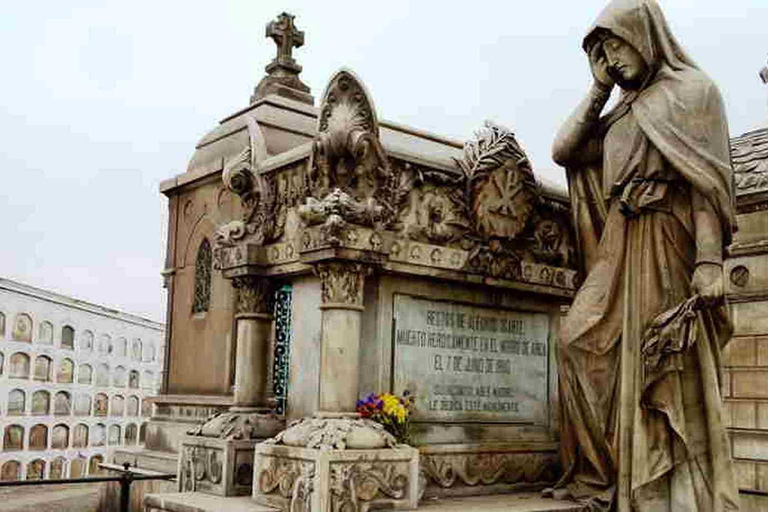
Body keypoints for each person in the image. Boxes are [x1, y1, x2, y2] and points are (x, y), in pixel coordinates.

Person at [551, 0, 739, 510]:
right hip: (618, 243)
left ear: (646, 35)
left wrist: (707, 261)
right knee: (577, 340)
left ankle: (669, 489)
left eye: (618, 43)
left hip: (667, 241)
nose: (613, 57)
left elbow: (707, 185)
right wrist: (598, 90)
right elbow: (564, 151)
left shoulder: (695, 94)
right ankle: (606, 472)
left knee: (661, 361)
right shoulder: (623, 112)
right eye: (603, 50)